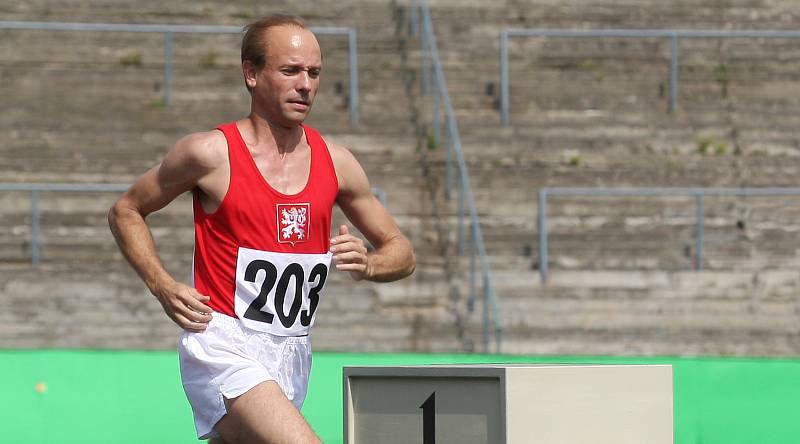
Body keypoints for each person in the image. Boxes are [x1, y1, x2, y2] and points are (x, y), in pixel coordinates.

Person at [108, 14, 415, 443]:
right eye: (290, 70)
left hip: (291, 352)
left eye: (314, 72)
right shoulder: (211, 154)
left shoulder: (337, 162)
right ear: (251, 74)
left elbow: (402, 251)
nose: (305, 84)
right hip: (223, 346)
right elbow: (126, 210)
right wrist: (161, 284)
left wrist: (369, 263)